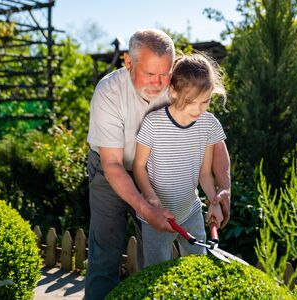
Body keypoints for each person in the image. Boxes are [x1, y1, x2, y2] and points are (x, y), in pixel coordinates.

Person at [85, 29, 230, 300]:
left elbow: (213, 141)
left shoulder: (178, 87)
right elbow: (114, 165)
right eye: (150, 74)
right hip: (110, 171)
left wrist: (222, 189)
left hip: (155, 172)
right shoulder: (108, 92)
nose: (159, 82)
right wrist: (146, 206)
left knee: (153, 259)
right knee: (105, 254)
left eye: (165, 73)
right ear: (128, 62)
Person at [133, 53, 227, 267]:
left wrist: (214, 202)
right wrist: (151, 199)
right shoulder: (153, 124)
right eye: (191, 102)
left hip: (191, 212)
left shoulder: (209, 124)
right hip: (157, 219)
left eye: (205, 101)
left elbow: (204, 174)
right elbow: (138, 167)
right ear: (173, 91)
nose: (198, 109)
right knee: (156, 276)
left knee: (197, 271)